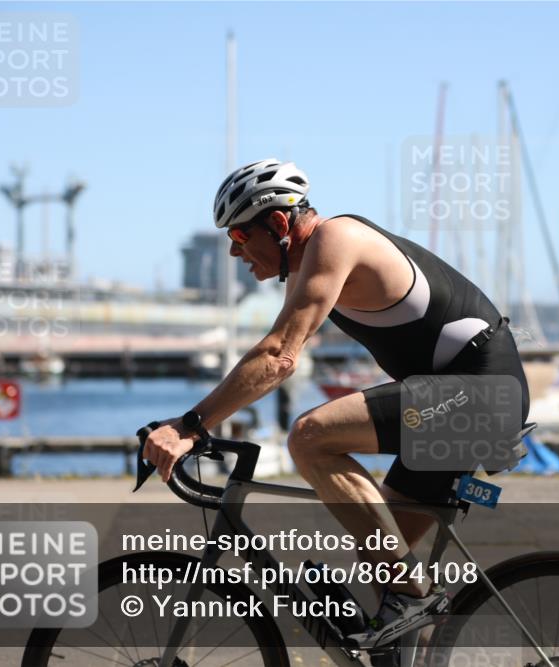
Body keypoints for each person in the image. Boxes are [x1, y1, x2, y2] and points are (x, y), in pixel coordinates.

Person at [143, 158, 530, 648]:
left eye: (239, 238)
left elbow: (279, 355)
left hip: (481, 395)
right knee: (383, 561)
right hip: (456, 402)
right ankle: (412, 632)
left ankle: (412, 599)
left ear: (280, 224)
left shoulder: (336, 240)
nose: (234, 252)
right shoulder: (313, 267)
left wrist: (190, 425)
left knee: (310, 437)